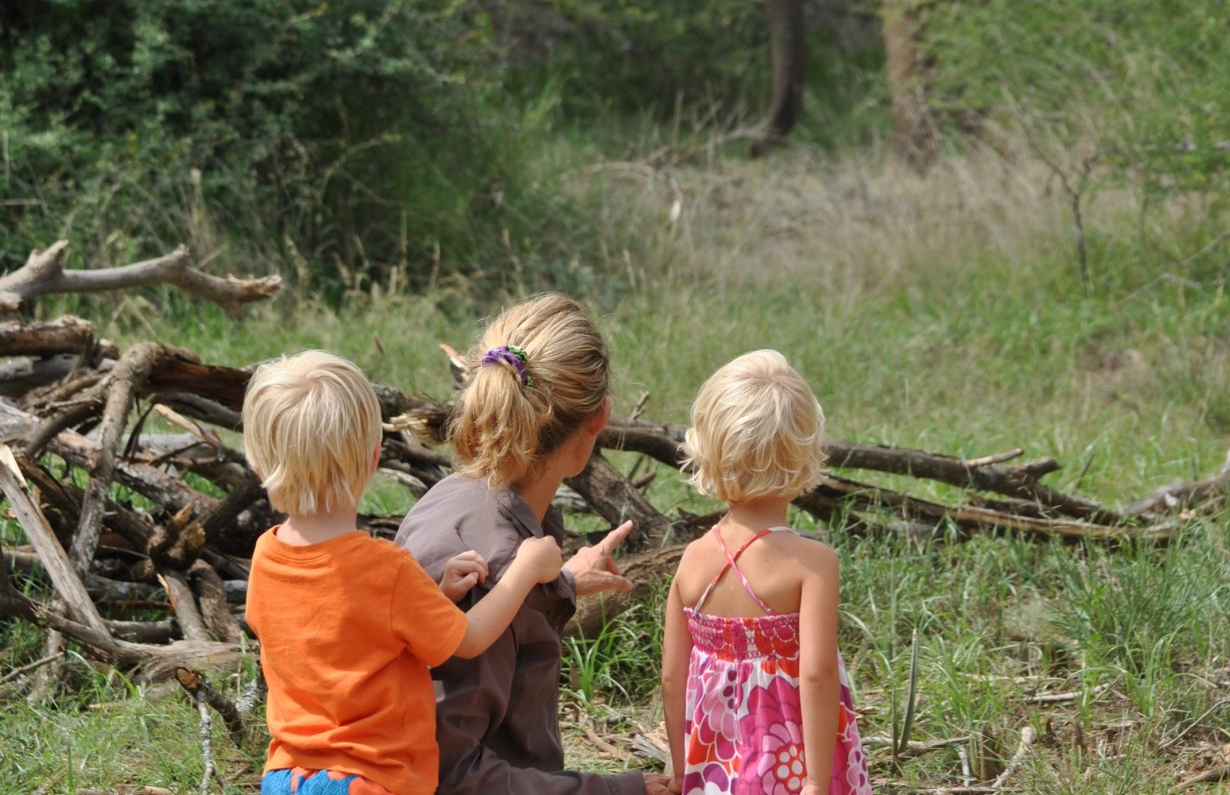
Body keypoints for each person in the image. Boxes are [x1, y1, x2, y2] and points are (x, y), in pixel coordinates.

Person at [244, 349, 564, 795]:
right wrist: (524, 570)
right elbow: (470, 639)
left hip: (286, 777)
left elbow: (342, 634)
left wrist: (434, 595)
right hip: (372, 779)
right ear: (374, 457)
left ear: (258, 463)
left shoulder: (266, 556)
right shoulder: (386, 568)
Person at [395, 293, 670, 795]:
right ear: (598, 419)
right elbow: (448, 775)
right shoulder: (495, 569)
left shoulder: (449, 496)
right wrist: (614, 790)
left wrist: (561, 584)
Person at [661, 350, 871, 795]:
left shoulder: (692, 560)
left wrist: (682, 771)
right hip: (793, 765)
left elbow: (671, 678)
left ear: (707, 452)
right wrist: (815, 781)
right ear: (804, 454)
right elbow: (817, 675)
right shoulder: (813, 564)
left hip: (714, 770)